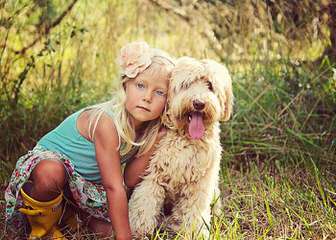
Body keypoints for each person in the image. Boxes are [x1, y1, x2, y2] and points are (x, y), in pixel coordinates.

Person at [5, 41, 175, 240]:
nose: (147, 97)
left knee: (110, 231)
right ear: (125, 85)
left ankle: (72, 216)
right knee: (51, 172)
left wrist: (158, 138)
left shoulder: (148, 127)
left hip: (82, 187)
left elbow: (129, 180)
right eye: (140, 85)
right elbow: (114, 186)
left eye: (159, 92)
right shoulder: (106, 122)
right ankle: (44, 230)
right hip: (46, 171)